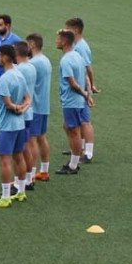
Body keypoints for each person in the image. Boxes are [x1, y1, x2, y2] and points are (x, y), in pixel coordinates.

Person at [0, 46, 31, 209]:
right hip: (20, 124)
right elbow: (28, 98)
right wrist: (22, 108)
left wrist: (15, 108)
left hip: (7, 125)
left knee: (4, 160)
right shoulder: (19, 74)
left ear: (6, 57)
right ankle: (21, 191)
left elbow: (6, 104)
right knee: (19, 157)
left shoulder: (5, 78)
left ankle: (5, 196)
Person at [56, 30, 93, 175]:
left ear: (65, 41)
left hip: (71, 101)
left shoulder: (66, 60)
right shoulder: (77, 56)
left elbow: (72, 83)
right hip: (78, 100)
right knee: (68, 127)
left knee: (74, 133)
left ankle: (73, 165)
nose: (56, 41)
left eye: (58, 39)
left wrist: (85, 93)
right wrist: (88, 94)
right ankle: (75, 156)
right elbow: (85, 76)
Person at [65, 18, 96, 163]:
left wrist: (90, 88)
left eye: (68, 28)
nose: (65, 31)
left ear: (76, 30)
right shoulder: (77, 45)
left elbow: (87, 69)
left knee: (85, 121)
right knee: (79, 121)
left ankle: (88, 153)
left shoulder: (80, 47)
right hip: (81, 87)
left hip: (81, 88)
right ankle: (79, 148)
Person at [0, 15, 22, 140]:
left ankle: (12, 128)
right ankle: (0, 129)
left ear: (7, 25)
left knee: (12, 101)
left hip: (11, 79)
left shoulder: (16, 40)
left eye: (0, 25)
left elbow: (20, 59)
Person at [26, 33, 53, 182]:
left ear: (33, 44)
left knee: (32, 140)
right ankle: (44, 170)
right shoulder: (46, 60)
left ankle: (31, 176)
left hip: (34, 107)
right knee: (42, 138)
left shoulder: (34, 63)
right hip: (43, 105)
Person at [14, 41, 38, 191]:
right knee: (26, 147)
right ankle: (29, 179)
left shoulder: (20, 69)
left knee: (19, 151)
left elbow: (18, 91)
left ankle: (20, 183)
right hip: (29, 111)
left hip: (22, 112)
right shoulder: (31, 66)